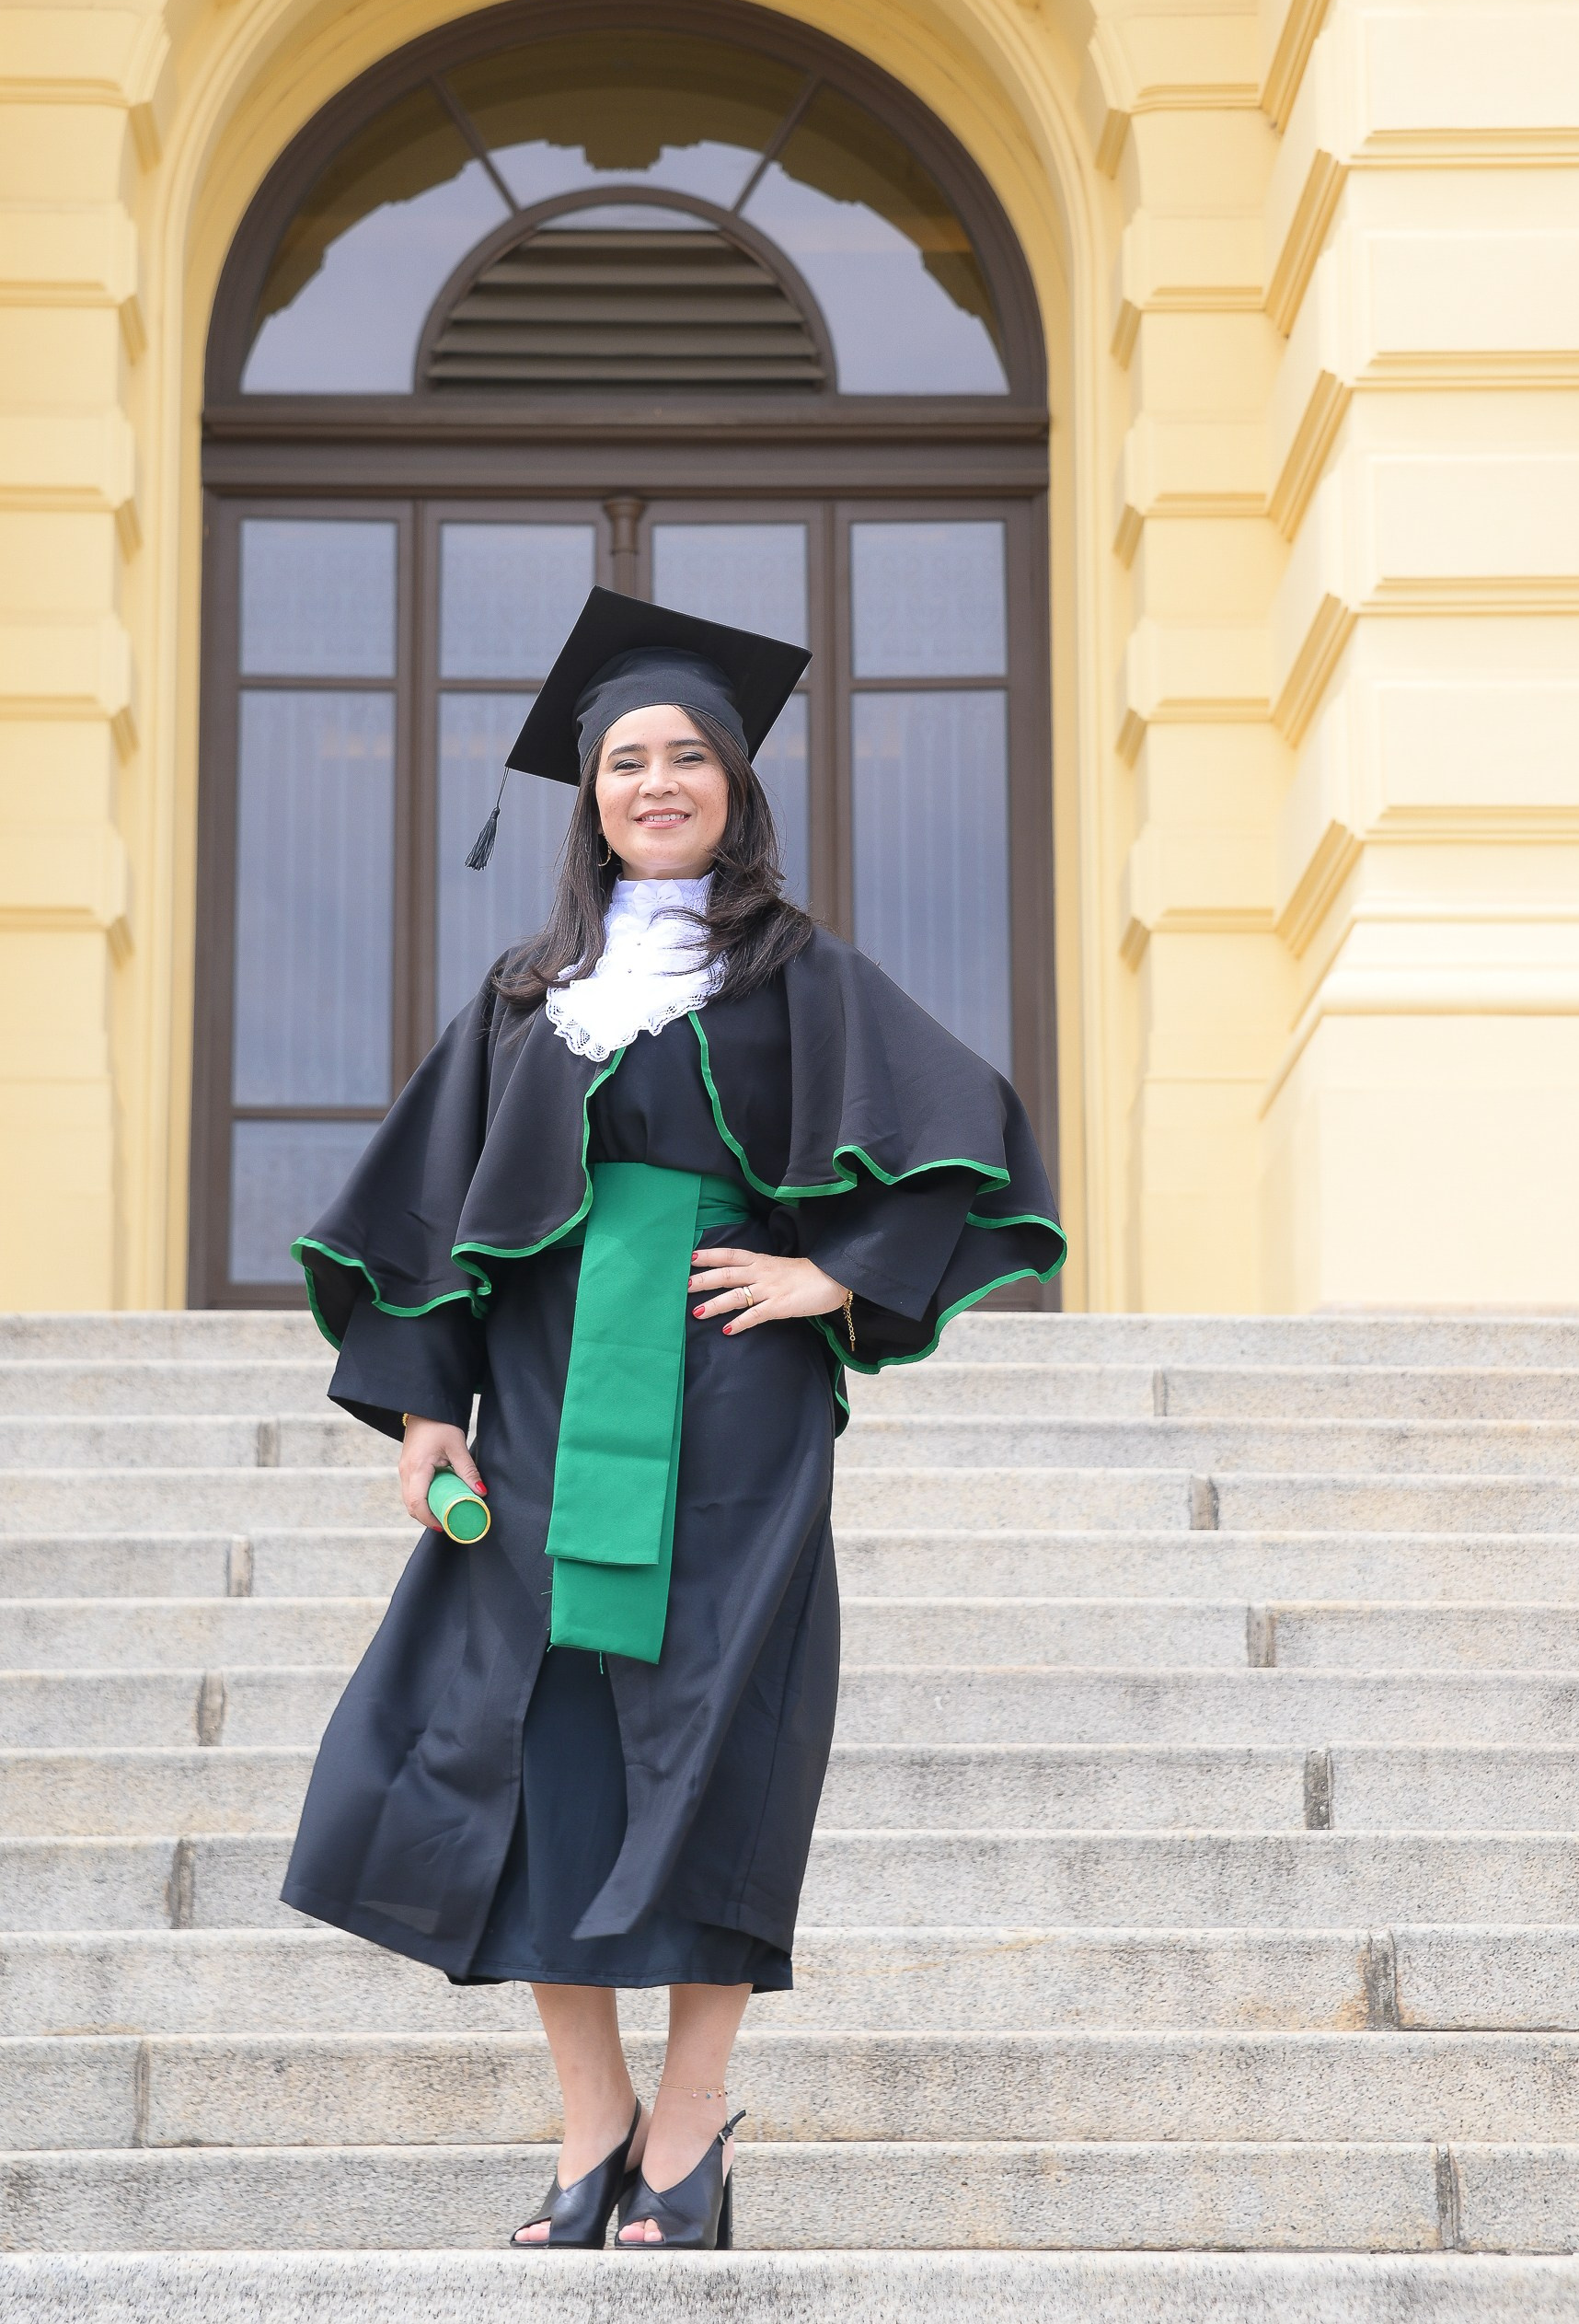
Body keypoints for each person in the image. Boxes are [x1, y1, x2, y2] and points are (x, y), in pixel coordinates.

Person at [282, 586, 1065, 2250]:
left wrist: (833, 1282)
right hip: (552, 1401)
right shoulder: (525, 995)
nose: (656, 781)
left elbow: (970, 1133)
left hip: (737, 1415)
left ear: (733, 786)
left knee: (717, 1751)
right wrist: (428, 1414)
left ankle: (691, 2126)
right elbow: (428, 1209)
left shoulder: (793, 972)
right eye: (626, 758)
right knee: (540, 1754)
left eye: (687, 756)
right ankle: (592, 2127)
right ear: (590, 795)